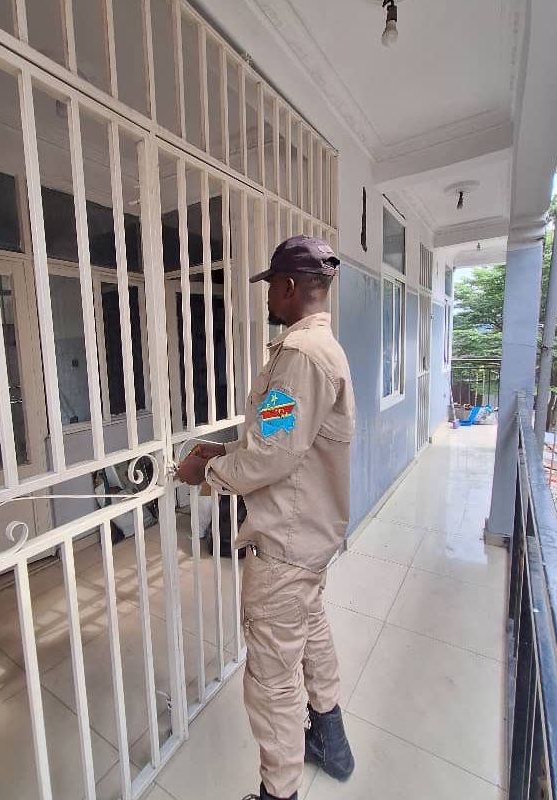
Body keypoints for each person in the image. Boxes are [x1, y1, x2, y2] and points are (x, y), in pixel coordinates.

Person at [176, 236, 356, 800]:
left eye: (271, 287)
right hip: (312, 537)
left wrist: (205, 475)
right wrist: (223, 450)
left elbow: (273, 452)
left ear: (288, 287)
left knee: (272, 680)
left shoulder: (299, 357)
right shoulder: (324, 349)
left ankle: (280, 791)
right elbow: (278, 437)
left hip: (284, 547)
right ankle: (331, 739)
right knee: (313, 628)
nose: (268, 299)